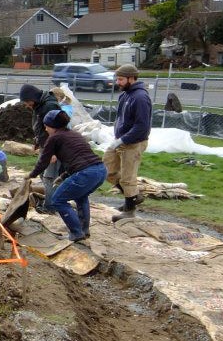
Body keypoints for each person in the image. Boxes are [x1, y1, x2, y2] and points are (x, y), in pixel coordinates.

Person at [28, 110, 107, 241]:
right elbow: (77, 158)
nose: (46, 129)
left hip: (86, 173)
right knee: (81, 197)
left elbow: (44, 161)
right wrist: (64, 175)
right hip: (100, 170)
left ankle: (76, 233)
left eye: (46, 126)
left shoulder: (54, 137)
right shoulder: (74, 134)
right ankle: (84, 230)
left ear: (52, 126)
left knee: (58, 200)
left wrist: (31, 174)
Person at [103, 64, 152, 222]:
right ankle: (134, 196)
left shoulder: (140, 98)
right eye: (117, 78)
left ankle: (129, 210)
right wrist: (117, 138)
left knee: (128, 177)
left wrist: (123, 139)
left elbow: (142, 127)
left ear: (132, 78)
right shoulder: (125, 95)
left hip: (134, 142)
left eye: (121, 79)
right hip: (121, 140)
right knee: (107, 170)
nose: (118, 82)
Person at [19, 83, 62, 213]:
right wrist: (38, 140)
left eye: (27, 102)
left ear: (33, 97)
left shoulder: (49, 106)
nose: (27, 105)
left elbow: (56, 129)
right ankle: (52, 201)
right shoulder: (40, 104)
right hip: (46, 145)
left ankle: (50, 207)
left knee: (49, 177)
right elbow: (42, 127)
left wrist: (53, 151)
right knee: (43, 174)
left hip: (53, 146)